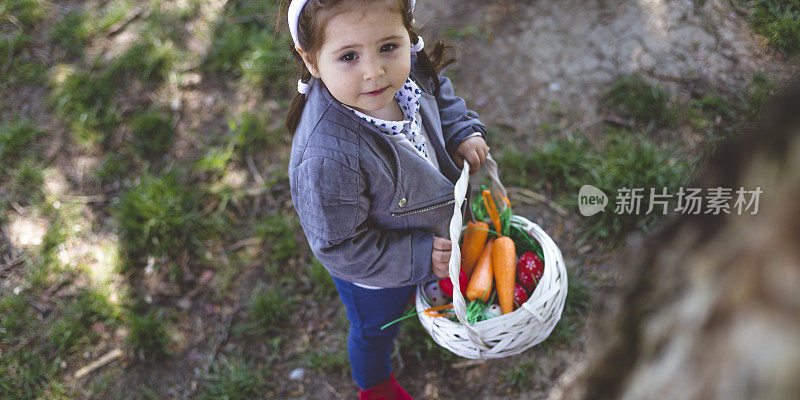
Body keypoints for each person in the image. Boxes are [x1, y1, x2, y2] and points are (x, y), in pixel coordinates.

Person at [284, 0, 489, 398]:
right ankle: (374, 387)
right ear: (310, 60)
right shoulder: (328, 157)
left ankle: (435, 287)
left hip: (432, 229)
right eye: (348, 56)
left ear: (407, 34)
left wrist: (461, 129)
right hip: (374, 275)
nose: (374, 71)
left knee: (440, 277)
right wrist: (417, 257)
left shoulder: (408, 68)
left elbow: (437, 91)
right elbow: (341, 245)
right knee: (375, 329)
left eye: (388, 48)